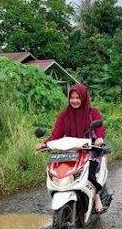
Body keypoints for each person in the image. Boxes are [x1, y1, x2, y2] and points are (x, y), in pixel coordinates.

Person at [36, 83, 106, 213]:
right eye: (72, 98)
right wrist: (45, 144)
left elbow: (99, 129)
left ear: (83, 98)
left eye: (78, 98)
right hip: (69, 151)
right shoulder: (64, 115)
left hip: (88, 149)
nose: (74, 101)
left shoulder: (92, 113)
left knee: (89, 173)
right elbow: (56, 134)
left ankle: (96, 197)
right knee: (57, 171)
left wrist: (99, 139)